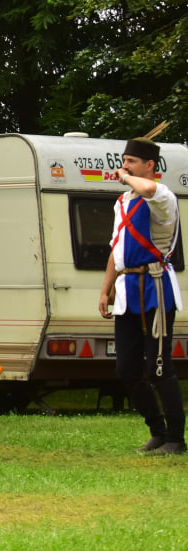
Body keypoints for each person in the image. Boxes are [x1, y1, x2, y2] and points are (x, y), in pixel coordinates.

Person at [99, 137, 185, 456]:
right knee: (127, 370)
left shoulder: (161, 194)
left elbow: (147, 190)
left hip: (156, 287)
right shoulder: (121, 203)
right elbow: (116, 249)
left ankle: (177, 438)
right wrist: (105, 289)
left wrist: (125, 177)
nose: (125, 166)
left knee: (159, 367)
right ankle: (158, 432)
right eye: (124, 161)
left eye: (132, 161)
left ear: (149, 165)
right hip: (127, 289)